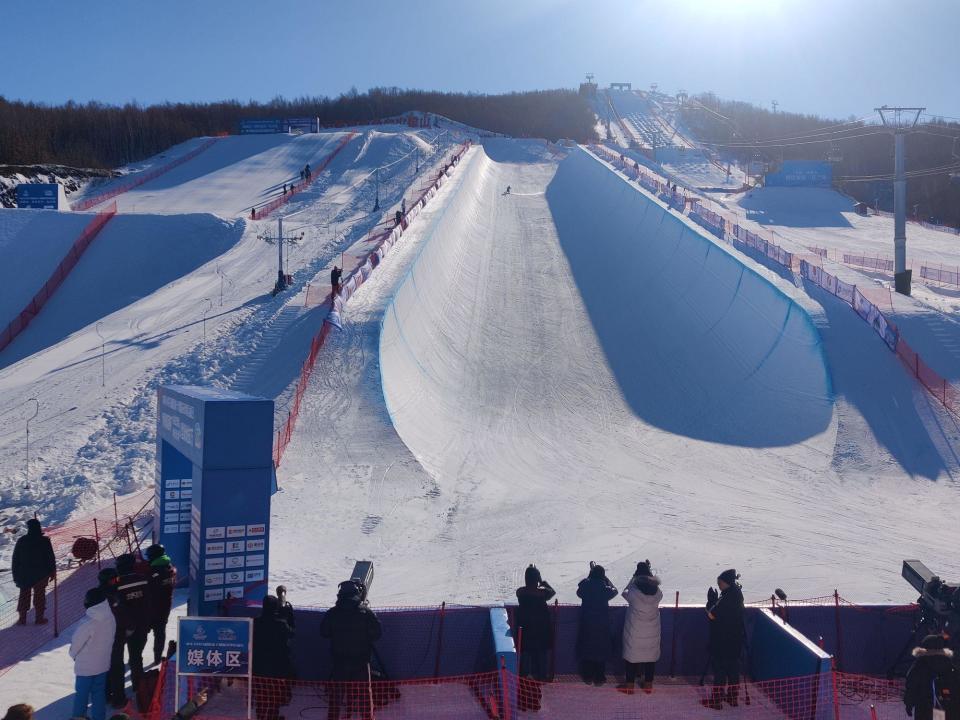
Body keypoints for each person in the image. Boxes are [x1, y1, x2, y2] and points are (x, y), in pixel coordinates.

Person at [319, 581, 382, 720]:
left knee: (336, 696)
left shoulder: (333, 613)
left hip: (340, 662)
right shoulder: (366, 612)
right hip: (361, 662)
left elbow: (324, 632)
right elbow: (377, 634)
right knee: (365, 696)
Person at [107, 554, 151, 707]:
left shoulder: (117, 583)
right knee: (136, 658)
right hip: (141, 625)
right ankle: (139, 690)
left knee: (116, 662)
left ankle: (115, 694)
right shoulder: (143, 578)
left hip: (121, 628)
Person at [702, 568, 745, 709]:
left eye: (720, 582)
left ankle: (716, 701)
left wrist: (711, 602)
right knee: (733, 669)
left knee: (720, 670)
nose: (719, 585)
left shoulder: (726, 598)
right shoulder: (737, 595)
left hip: (722, 641)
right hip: (736, 640)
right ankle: (732, 698)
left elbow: (712, 614)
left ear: (726, 583)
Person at [71, 588, 116, 720]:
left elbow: (76, 644)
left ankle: (78, 717)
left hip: (85, 668)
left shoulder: (89, 622)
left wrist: (73, 655)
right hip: (102, 664)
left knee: (82, 695)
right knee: (98, 694)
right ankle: (99, 717)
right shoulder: (110, 617)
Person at [618, 560, 662, 695]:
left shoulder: (632, 591)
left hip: (635, 630)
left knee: (632, 656)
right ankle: (648, 685)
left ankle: (630, 686)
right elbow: (657, 590)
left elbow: (624, 592)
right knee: (650, 657)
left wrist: (633, 578)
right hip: (652, 630)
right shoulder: (657, 592)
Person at [252, 595, 295, 720]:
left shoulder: (255, 622)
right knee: (274, 697)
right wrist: (290, 618)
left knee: (261, 696)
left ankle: (260, 717)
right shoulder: (281, 624)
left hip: (259, 666)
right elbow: (292, 633)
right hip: (277, 668)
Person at [575, 563, 618, 686]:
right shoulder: (605, 589)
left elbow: (579, 592)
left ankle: (587, 675)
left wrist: (589, 577)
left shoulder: (585, 586)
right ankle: (599, 677)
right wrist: (606, 579)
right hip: (602, 624)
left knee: (587, 648)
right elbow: (615, 591)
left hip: (587, 622)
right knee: (601, 649)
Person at [12, 518, 56, 626]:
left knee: (24, 596)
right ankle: (39, 618)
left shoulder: (22, 540)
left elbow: (15, 559)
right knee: (40, 596)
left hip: (24, 575)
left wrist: (15, 575)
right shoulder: (45, 541)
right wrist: (52, 571)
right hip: (41, 575)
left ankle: (22, 619)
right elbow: (50, 558)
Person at [904, 634, 959, 720]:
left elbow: (911, 685)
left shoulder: (919, 664)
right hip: (945, 706)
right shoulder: (948, 664)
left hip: (924, 706)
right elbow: (956, 684)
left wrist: (909, 703)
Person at [145, 544, 176, 666]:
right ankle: (157, 658)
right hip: (165, 606)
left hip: (151, 609)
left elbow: (147, 590)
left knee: (142, 635)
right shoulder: (170, 568)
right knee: (160, 633)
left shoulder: (154, 573)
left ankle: (137, 659)